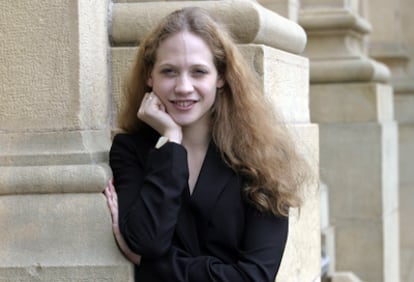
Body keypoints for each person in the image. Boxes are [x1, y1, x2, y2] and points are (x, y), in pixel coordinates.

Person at [104, 6, 311, 281]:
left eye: (199, 72)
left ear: (221, 77)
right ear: (149, 77)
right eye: (169, 71)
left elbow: (256, 277)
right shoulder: (130, 150)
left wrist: (154, 266)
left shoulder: (264, 157)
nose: (183, 87)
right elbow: (148, 241)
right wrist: (170, 141)